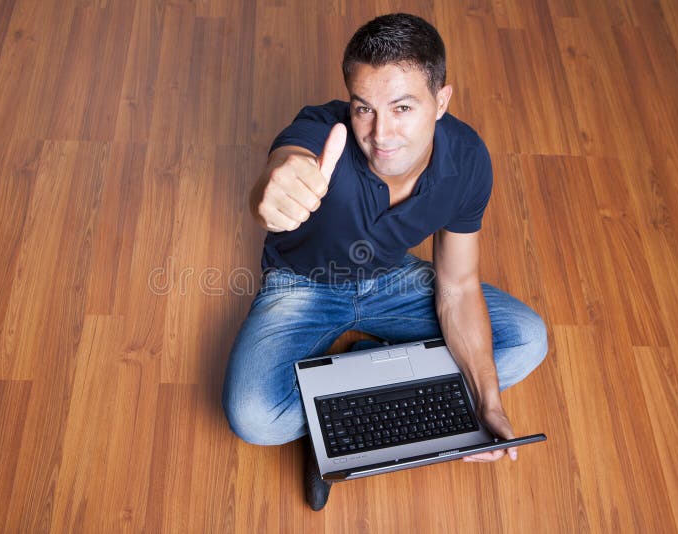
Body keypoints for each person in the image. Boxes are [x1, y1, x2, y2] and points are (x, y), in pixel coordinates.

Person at [222, 13, 548, 511]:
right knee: (254, 417)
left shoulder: (467, 160)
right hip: (304, 284)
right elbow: (282, 170)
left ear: (441, 102)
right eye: (364, 108)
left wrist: (488, 402)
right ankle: (369, 389)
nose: (380, 133)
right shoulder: (320, 129)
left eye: (402, 107)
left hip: (390, 282)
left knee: (527, 340)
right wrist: (273, 191)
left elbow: (457, 286)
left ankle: (339, 403)